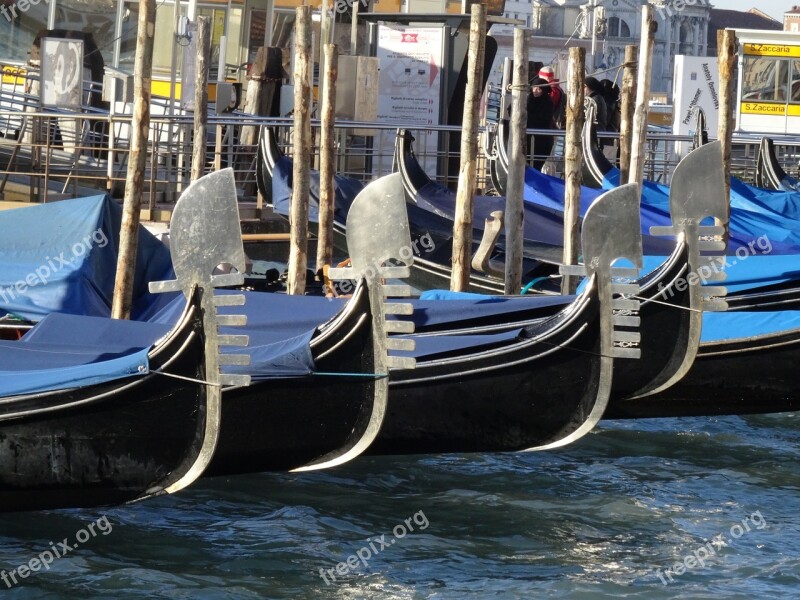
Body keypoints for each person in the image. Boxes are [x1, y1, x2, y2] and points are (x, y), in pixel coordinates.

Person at [526, 77, 555, 171]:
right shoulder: (528, 99)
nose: (535, 91)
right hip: (527, 139)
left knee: (536, 166)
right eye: (534, 88)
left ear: (544, 90)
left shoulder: (547, 103)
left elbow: (542, 120)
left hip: (542, 141)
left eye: (539, 88)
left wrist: (525, 115)